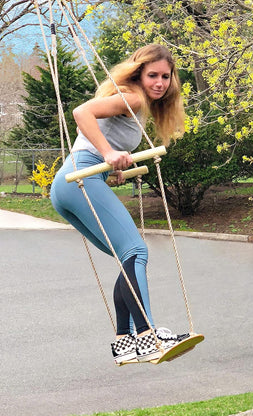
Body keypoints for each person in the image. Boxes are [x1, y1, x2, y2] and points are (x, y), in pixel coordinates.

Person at [51, 44, 188, 365]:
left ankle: (125, 340)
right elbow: (82, 112)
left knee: (127, 259)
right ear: (139, 73)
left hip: (69, 184)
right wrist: (109, 154)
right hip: (79, 178)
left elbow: (99, 145)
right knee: (136, 252)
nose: (159, 82)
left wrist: (113, 168)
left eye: (165, 76)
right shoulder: (134, 96)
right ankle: (148, 334)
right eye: (152, 75)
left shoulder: (138, 105)